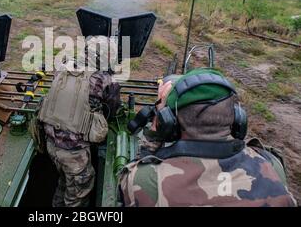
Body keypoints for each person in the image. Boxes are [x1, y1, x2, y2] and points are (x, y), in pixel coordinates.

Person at [119, 68, 297, 207]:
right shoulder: (272, 166)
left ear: (169, 123)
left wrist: (157, 121)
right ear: (238, 119)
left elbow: (133, 172)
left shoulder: (148, 180)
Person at [38, 36, 121, 207]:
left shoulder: (63, 66)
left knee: (63, 185)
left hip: (51, 146)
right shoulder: (104, 79)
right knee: (77, 198)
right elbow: (112, 110)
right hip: (74, 155)